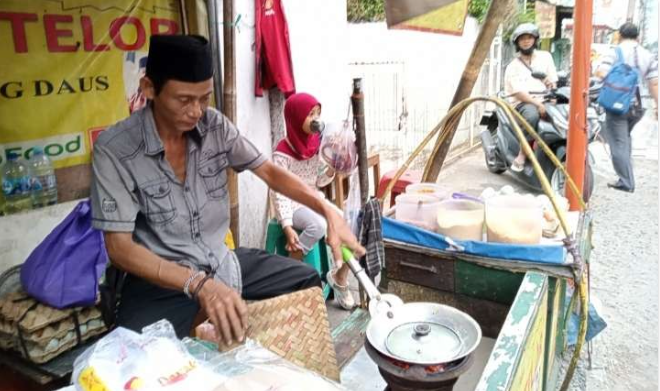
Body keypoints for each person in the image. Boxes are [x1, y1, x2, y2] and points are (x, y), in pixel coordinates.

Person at [90, 34, 364, 345]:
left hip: (220, 262)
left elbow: (270, 171)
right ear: (149, 88)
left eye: (203, 98)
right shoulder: (115, 150)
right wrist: (198, 285)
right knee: (133, 362)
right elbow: (120, 249)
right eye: (184, 99)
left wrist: (326, 210)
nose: (196, 111)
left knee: (305, 283)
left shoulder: (214, 127)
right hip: (160, 281)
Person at [270, 92, 355, 310]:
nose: (316, 119)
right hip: (293, 202)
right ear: (296, 118)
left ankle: (339, 276)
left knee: (344, 222)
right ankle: (290, 268)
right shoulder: (282, 152)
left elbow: (319, 180)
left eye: (318, 113)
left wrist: (332, 166)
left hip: (313, 198)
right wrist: (287, 226)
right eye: (310, 114)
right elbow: (278, 192)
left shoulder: (316, 144)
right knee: (318, 225)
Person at [595, 22, 658, 193]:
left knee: (617, 142)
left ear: (620, 35)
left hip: (618, 104)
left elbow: (601, 73)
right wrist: (657, 106)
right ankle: (626, 175)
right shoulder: (648, 55)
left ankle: (626, 181)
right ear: (638, 37)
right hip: (639, 106)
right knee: (625, 138)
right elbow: (654, 83)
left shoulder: (614, 52)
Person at [504, 23, 558, 172]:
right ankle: (523, 153)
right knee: (532, 115)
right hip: (523, 102)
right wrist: (538, 104)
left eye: (529, 38)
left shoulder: (545, 57)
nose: (526, 41)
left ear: (535, 40)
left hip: (545, 100)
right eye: (522, 39)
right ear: (517, 43)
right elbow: (519, 93)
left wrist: (553, 93)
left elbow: (552, 80)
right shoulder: (513, 66)